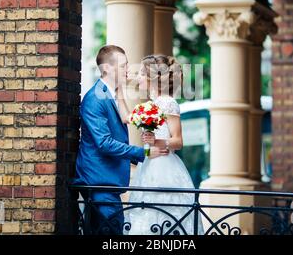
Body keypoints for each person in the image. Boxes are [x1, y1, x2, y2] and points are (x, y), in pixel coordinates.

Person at [73, 45, 169, 235]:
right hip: (99, 182)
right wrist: (144, 153)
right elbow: (104, 143)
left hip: (107, 182)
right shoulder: (95, 98)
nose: (128, 70)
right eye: (124, 66)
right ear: (107, 68)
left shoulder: (113, 94)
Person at [117, 54, 204, 235]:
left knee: (164, 215)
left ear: (152, 78)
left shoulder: (168, 103)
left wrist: (156, 141)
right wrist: (119, 93)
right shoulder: (151, 105)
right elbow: (127, 118)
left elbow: (178, 141)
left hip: (165, 166)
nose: (139, 77)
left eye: (142, 73)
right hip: (149, 164)